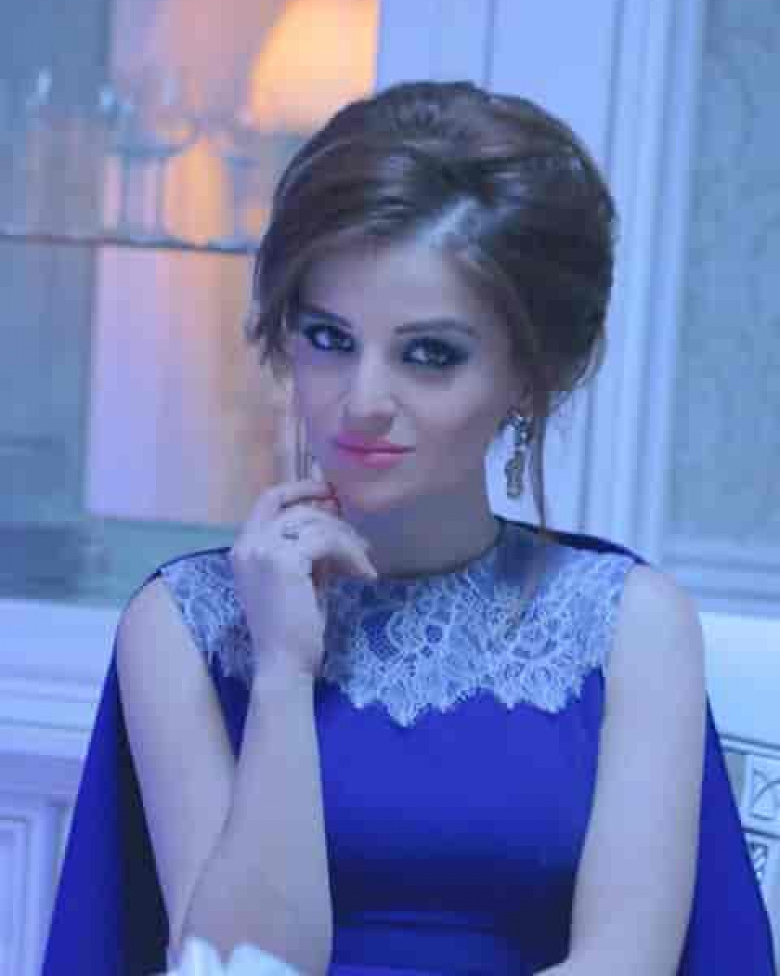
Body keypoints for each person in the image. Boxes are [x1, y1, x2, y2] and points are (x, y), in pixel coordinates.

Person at [41, 80, 775, 976]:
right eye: (329, 338)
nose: (363, 401)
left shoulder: (632, 624)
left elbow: (623, 964)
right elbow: (234, 966)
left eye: (429, 354)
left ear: (531, 376)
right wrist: (280, 675)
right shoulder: (181, 624)